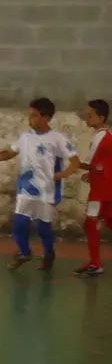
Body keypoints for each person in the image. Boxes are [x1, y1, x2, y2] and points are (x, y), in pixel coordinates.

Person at [0, 97, 79, 271]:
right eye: (29, 115)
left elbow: (75, 161)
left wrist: (61, 174)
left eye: (34, 115)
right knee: (19, 223)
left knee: (43, 227)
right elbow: (9, 152)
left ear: (46, 118)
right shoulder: (25, 137)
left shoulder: (57, 139)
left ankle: (49, 252)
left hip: (46, 191)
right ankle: (25, 252)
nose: (30, 119)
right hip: (26, 189)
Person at [74, 99, 112, 277]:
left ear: (101, 118)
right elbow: (103, 163)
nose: (87, 117)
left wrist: (72, 161)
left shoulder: (100, 137)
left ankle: (96, 263)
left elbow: (90, 164)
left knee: (90, 223)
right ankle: (94, 261)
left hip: (101, 190)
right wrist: (93, 174)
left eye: (90, 115)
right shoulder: (105, 135)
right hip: (104, 186)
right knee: (108, 222)